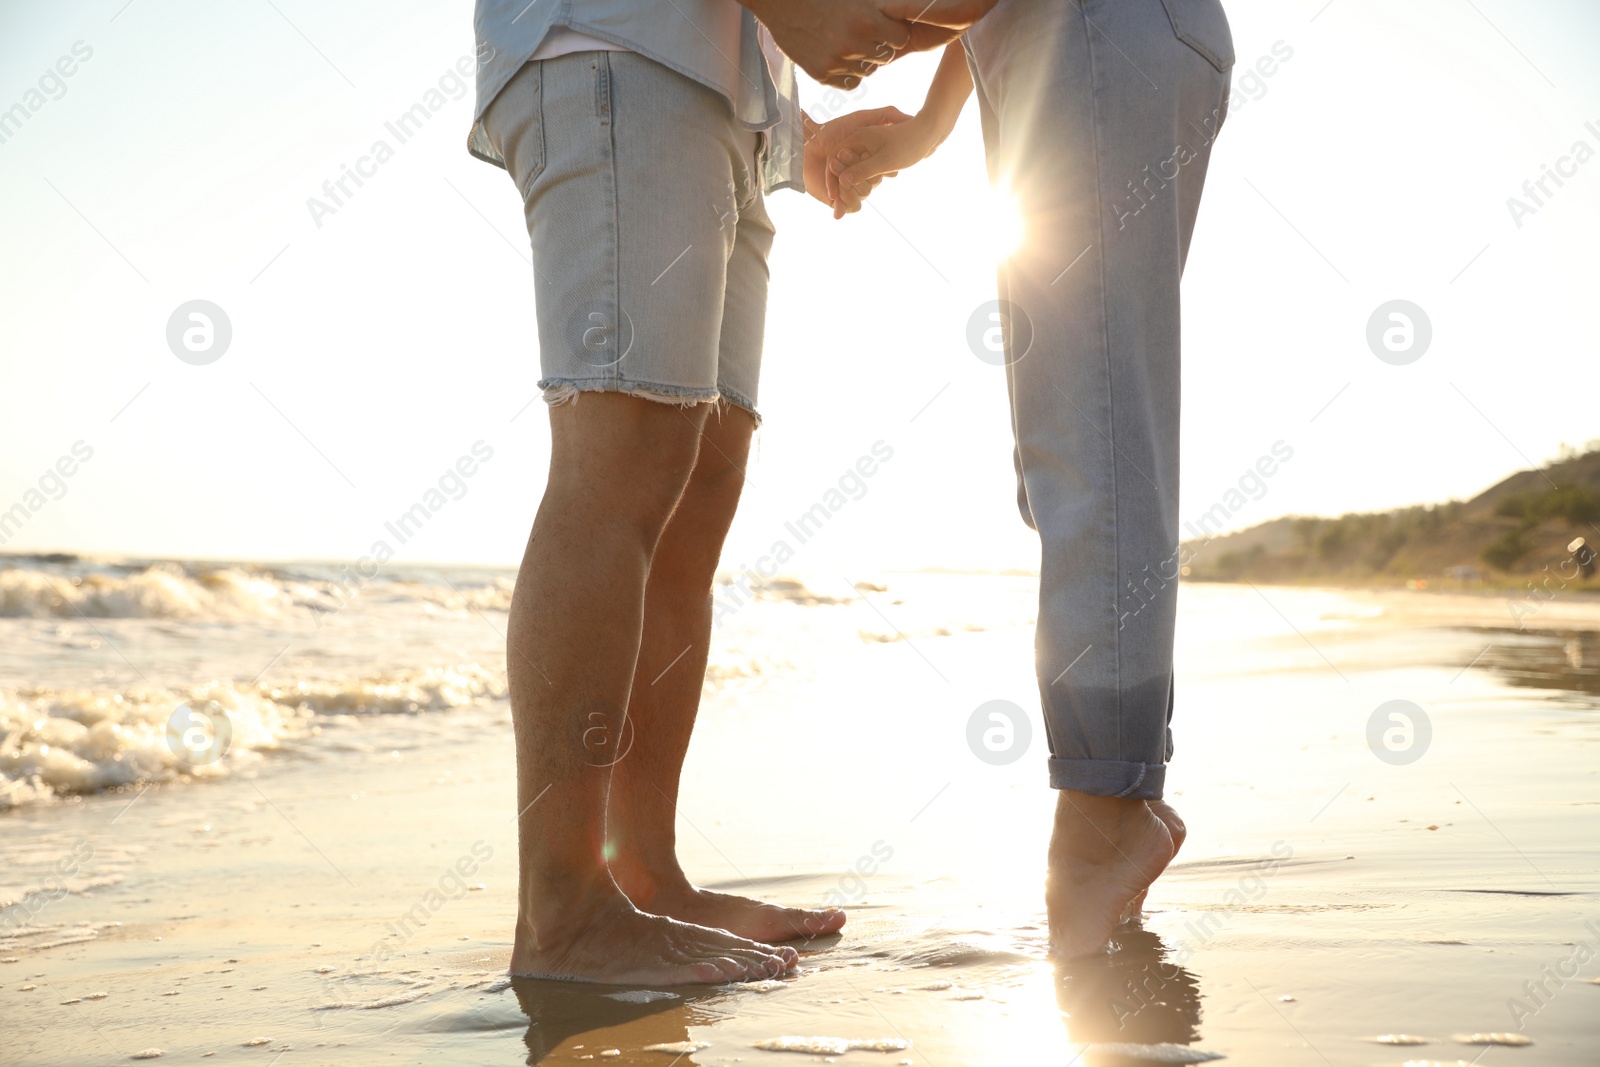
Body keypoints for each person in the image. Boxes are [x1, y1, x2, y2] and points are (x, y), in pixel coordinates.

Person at [466, 0, 982, 984]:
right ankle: (563, 914)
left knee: (696, 492)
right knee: (618, 460)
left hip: (728, 109)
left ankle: (644, 874)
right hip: (615, 49)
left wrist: (794, 121)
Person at [825, 0, 1235, 957]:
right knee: (1065, 436)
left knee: (1088, 424)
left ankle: (1105, 814)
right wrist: (930, 122)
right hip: (1049, 40)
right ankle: (1115, 795)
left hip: (1090, 30)